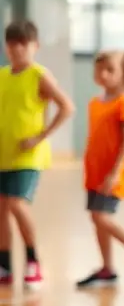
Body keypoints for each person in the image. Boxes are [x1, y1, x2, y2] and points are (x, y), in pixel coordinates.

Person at [0, 19, 74, 287]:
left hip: (27, 157)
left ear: (35, 46)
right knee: (1, 212)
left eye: (23, 44)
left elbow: (66, 107)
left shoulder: (39, 75)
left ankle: (33, 261)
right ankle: (5, 266)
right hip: (3, 155)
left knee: (17, 205)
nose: (17, 50)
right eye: (11, 44)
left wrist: (39, 137)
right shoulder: (3, 76)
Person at [77, 50, 124, 288]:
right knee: (96, 220)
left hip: (113, 174)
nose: (103, 74)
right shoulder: (95, 103)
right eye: (99, 69)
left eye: (110, 70)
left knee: (101, 217)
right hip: (95, 172)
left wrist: (115, 172)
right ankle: (107, 268)